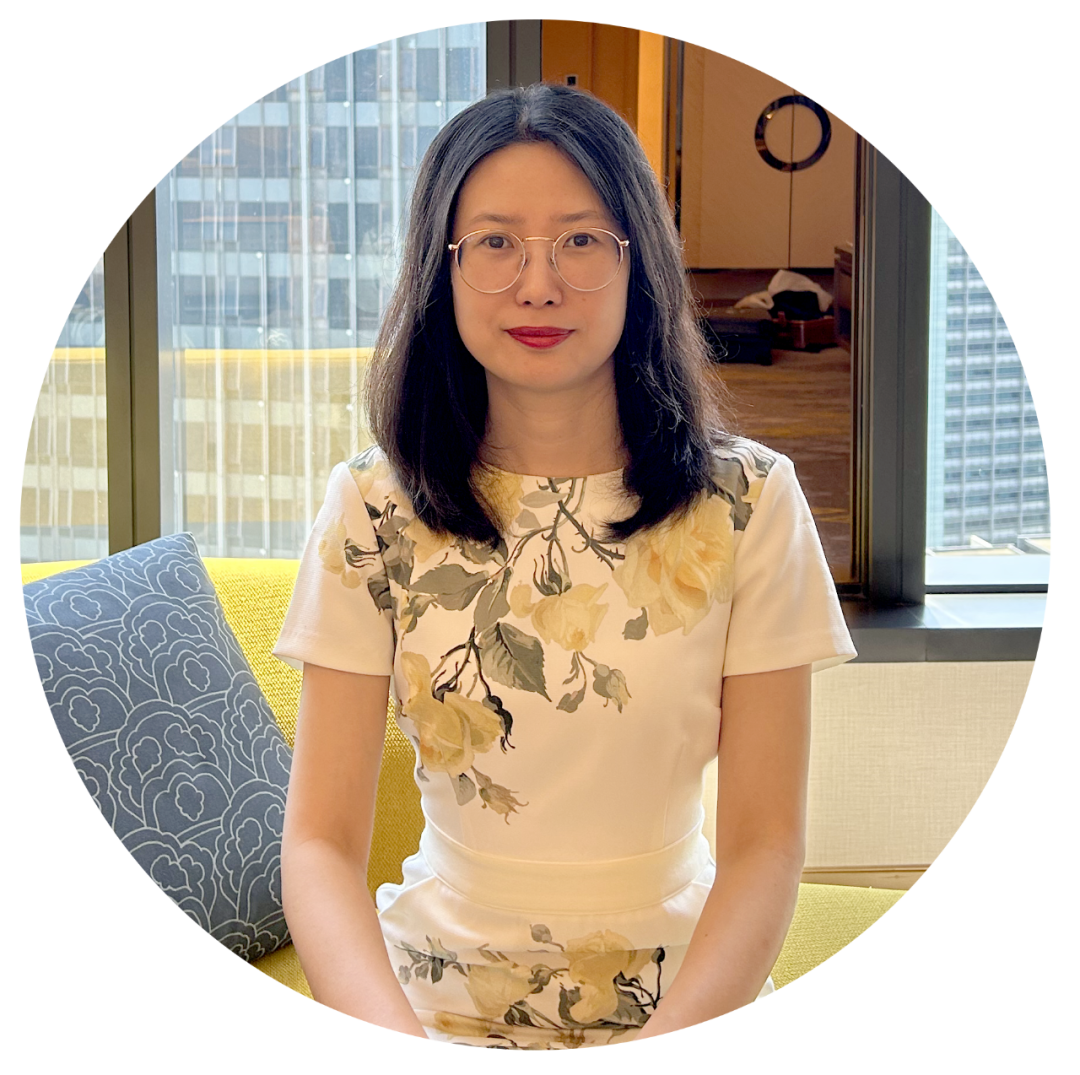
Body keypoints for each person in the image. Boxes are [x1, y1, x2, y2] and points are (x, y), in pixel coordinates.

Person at [273, 83, 856, 1049]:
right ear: (441, 269)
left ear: (639, 263)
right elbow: (319, 844)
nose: (537, 284)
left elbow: (765, 845)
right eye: (494, 242)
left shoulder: (750, 503)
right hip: (427, 995)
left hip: (683, 988)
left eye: (580, 240)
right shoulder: (373, 507)